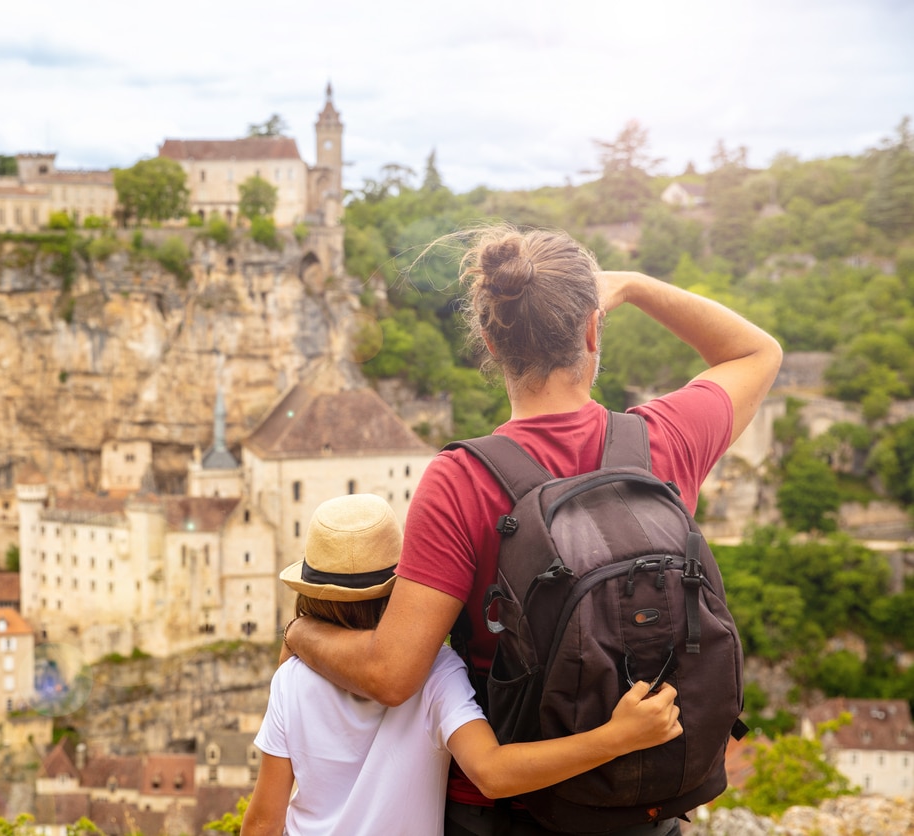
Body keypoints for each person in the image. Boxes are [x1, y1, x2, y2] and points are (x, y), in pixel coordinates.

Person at [279, 225, 783, 835]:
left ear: (489, 342)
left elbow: (392, 673)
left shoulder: (460, 479)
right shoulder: (661, 442)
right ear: (594, 330)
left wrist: (301, 632)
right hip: (641, 807)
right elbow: (758, 353)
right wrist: (635, 286)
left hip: (506, 812)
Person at [241, 493, 684, 836]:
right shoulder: (433, 672)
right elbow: (492, 773)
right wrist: (617, 736)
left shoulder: (292, 678)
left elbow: (263, 822)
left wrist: (295, 636)